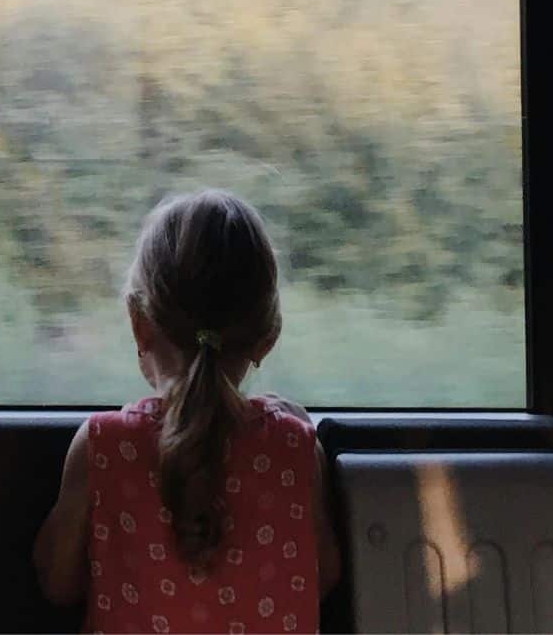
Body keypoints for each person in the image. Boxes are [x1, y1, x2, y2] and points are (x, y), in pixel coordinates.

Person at [33, 190, 339, 634]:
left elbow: (57, 583)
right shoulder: (295, 449)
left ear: (139, 323)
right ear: (266, 338)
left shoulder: (105, 446)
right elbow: (322, 576)